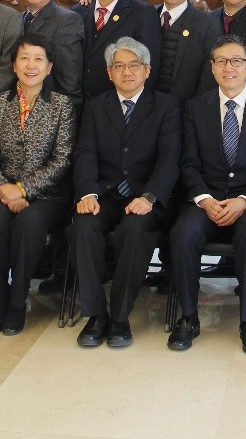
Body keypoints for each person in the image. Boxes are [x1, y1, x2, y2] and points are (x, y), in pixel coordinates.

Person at [167, 36, 246, 354]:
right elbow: (188, 163)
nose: (228, 67)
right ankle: (188, 317)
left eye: (236, 61)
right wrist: (204, 199)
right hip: (207, 197)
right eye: (221, 61)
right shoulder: (194, 108)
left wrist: (244, 201)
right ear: (212, 67)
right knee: (182, 233)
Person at [70, 38, 181, 348]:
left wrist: (150, 197)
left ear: (147, 71)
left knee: (134, 230)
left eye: (134, 65)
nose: (127, 72)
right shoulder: (95, 106)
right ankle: (96, 316)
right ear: (109, 73)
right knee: (83, 226)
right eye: (119, 66)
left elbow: (169, 158)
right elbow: (85, 154)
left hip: (145, 197)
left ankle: (119, 317)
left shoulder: (166, 106)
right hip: (105, 194)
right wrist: (87, 193)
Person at [0, 32, 76, 335]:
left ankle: (17, 303)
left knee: (29, 224)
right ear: (14, 65)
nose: (31, 65)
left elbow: (62, 159)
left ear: (49, 67)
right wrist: (5, 189)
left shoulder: (61, 106)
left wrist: (23, 189)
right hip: (0, 191)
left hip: (47, 197)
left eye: (38, 59)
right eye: (24, 58)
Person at [73, 0, 163, 100]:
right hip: (79, 108)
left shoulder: (143, 13)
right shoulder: (78, 12)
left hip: (118, 108)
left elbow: (150, 68)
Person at [17, 0, 84, 104]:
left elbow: (70, 85)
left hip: (49, 117)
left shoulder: (67, 20)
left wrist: (63, 123)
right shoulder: (15, 20)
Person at [153, 0, 219, 99]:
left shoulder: (207, 25)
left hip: (186, 110)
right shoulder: (147, 16)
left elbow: (209, 78)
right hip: (147, 109)